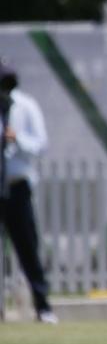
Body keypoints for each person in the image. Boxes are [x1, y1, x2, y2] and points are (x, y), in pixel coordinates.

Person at [0, 59, 57, 324]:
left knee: (28, 248)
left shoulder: (25, 105)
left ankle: (43, 307)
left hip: (17, 186)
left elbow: (40, 144)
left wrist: (16, 139)